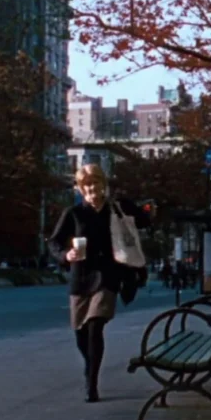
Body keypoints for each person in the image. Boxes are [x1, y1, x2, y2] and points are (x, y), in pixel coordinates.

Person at [48, 164, 150, 402]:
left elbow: (144, 222)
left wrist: (133, 210)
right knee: (80, 332)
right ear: (81, 190)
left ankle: (91, 384)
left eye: (96, 183)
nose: (92, 188)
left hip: (108, 276)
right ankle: (89, 365)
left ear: (104, 185)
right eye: (87, 185)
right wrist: (66, 255)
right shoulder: (74, 213)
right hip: (81, 276)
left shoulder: (117, 209)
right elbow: (54, 243)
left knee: (95, 326)